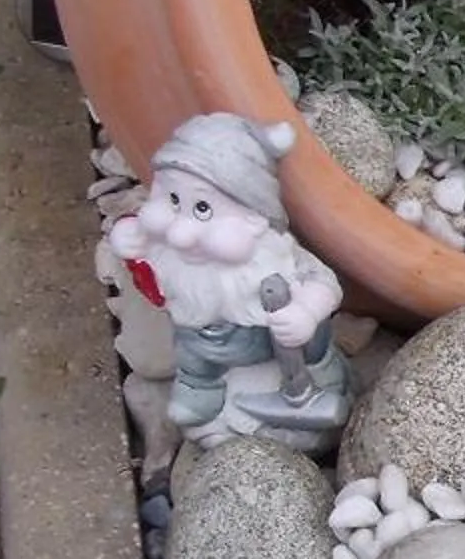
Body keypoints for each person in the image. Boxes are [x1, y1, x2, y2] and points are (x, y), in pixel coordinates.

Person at [106, 111, 350, 447]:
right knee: (192, 351)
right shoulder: (172, 252)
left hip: (273, 343)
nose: (180, 234)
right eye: (173, 201)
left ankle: (321, 374)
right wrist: (128, 238)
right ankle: (199, 386)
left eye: (204, 209)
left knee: (311, 340)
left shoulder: (274, 257)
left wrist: (306, 312)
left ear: (255, 215)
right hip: (202, 340)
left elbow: (324, 283)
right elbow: (149, 273)